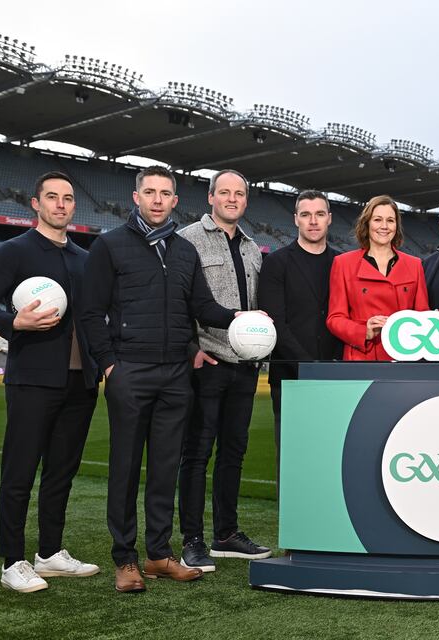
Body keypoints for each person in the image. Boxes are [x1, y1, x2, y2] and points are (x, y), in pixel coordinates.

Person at [81, 165, 242, 593]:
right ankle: (125, 559)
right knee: (126, 467)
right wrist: (110, 364)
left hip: (175, 375)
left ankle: (157, 554)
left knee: (165, 470)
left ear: (174, 201)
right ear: (136, 197)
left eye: (165, 193)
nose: (156, 199)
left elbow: (204, 308)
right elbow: (90, 311)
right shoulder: (109, 245)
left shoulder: (184, 250)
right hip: (129, 371)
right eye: (149, 192)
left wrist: (243, 319)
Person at [0, 172, 100, 593]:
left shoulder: (85, 258)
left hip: (81, 382)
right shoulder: (13, 251)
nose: (61, 205)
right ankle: (12, 562)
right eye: (52, 198)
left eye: (67, 198)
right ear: (35, 204)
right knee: (19, 473)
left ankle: (50, 553)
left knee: (61, 473)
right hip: (32, 380)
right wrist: (15, 322)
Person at [176, 169, 270, 574]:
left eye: (240, 194)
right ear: (210, 197)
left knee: (234, 452)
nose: (232, 199)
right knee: (197, 454)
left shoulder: (252, 248)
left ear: (246, 201)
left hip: (245, 367)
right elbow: (174, 300)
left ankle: (226, 534)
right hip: (207, 364)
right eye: (225, 192)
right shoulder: (186, 240)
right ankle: (193, 540)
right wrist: (189, 348)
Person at [258, 189, 342, 481]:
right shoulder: (276, 263)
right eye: (306, 215)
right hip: (291, 379)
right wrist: (309, 368)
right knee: (294, 462)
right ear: (296, 219)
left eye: (320, 214)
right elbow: (276, 324)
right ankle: (294, 525)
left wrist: (328, 370)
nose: (313, 221)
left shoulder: (343, 263)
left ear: (329, 218)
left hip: (337, 377)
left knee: (335, 457)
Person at [327, 195, 429, 360]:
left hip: (403, 357)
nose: (384, 226)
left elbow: (423, 317)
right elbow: (335, 318)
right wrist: (363, 331)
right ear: (367, 223)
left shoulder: (415, 265)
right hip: (362, 357)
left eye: (390, 220)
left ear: (396, 226)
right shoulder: (343, 263)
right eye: (377, 220)